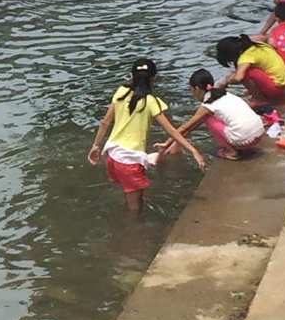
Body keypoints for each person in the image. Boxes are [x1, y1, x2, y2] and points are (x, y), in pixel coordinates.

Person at [87, 58, 206, 213]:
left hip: (112, 157)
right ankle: (133, 232)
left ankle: (126, 226)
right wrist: (193, 151)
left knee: (129, 197)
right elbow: (171, 130)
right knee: (136, 208)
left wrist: (96, 146)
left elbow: (105, 123)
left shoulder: (121, 91)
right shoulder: (150, 101)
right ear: (154, 78)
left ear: (131, 75)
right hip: (129, 160)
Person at [157, 68, 264, 161]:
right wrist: (176, 142)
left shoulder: (208, 105)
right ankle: (242, 147)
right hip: (259, 133)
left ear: (197, 89)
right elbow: (191, 127)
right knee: (214, 118)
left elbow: (186, 127)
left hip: (244, 139)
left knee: (208, 119)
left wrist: (167, 143)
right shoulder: (225, 94)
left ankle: (232, 152)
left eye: (191, 90)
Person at [215, 34, 285, 107]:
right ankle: (258, 93)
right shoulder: (258, 45)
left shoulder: (246, 57)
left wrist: (227, 80)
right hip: (281, 82)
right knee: (246, 70)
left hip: (275, 89)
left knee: (246, 73)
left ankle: (260, 100)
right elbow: (263, 37)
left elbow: (239, 78)